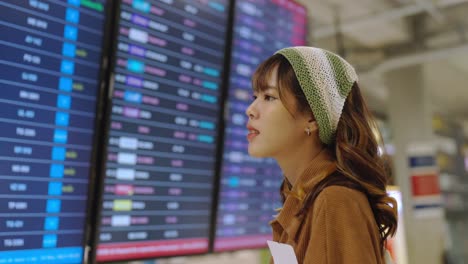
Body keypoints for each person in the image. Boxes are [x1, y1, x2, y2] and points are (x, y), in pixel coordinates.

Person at [245, 46, 398, 263]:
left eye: (269, 97)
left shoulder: (334, 201)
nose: (250, 109)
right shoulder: (303, 199)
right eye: (255, 96)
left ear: (312, 117)